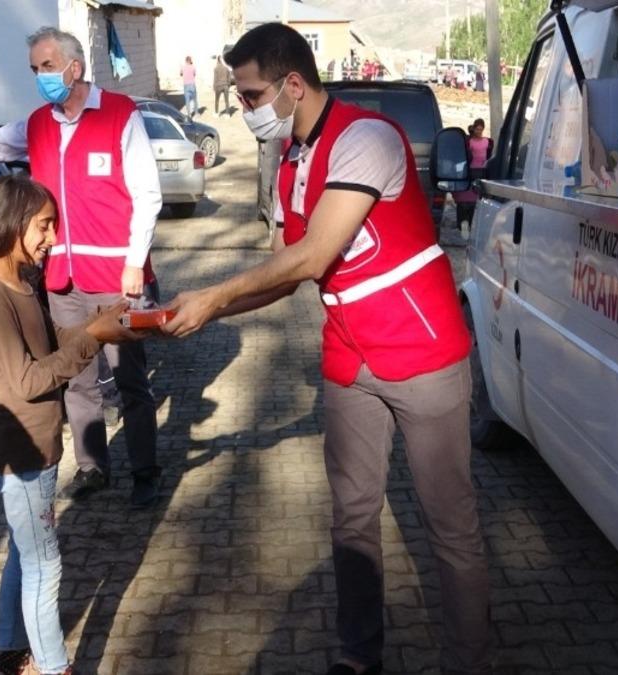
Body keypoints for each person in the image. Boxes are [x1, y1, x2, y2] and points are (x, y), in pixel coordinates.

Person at [164, 23, 492, 675]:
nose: (244, 108)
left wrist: (215, 295)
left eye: (252, 95)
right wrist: (206, 305)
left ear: (292, 85)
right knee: (351, 517)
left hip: (421, 352)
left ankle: (471, 659)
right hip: (349, 359)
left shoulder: (365, 138)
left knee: (450, 526)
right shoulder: (291, 160)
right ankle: (358, 653)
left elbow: (313, 252)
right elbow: (293, 269)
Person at [0, 27, 164, 509]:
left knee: (129, 379)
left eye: (45, 67)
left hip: (116, 279)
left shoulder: (121, 115)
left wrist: (133, 263)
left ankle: (145, 470)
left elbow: (148, 195)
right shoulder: (39, 123)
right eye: (34, 69)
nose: (39, 77)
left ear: (74, 67)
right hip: (62, 277)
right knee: (77, 379)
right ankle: (91, 467)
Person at [0, 175, 138, 675]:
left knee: (24, 551)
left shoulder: (21, 283)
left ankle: (12, 652)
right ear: (9, 223)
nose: (53, 237)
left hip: (36, 450)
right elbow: (27, 380)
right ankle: (54, 667)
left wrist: (105, 322)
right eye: (44, 225)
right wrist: (93, 337)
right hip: (22, 456)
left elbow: (55, 337)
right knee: (44, 565)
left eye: (53, 224)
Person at [453, 118, 493, 233]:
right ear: (474, 129)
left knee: (477, 195)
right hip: (470, 170)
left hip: (482, 171)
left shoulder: (487, 142)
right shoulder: (469, 142)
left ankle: (472, 222)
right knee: (468, 195)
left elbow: (489, 156)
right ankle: (465, 222)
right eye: (477, 129)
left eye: (481, 130)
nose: (479, 132)